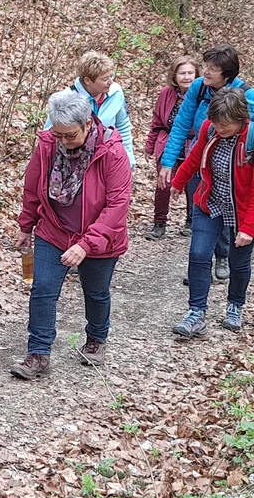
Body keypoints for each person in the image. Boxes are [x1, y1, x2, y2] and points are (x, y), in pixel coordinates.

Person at [11, 89, 132, 379]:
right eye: (59, 134)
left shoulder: (112, 152)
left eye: (70, 135)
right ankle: (38, 353)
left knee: (96, 292)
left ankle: (96, 338)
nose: (63, 141)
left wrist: (86, 245)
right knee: (42, 290)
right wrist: (26, 226)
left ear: (87, 124)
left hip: (101, 239)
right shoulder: (47, 146)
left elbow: (117, 206)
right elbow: (33, 187)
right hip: (54, 230)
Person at [156, 46, 254, 282]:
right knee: (204, 211)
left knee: (226, 213)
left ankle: (222, 257)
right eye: (206, 66)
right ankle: (201, 267)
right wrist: (168, 162)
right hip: (202, 157)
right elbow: (181, 124)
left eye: (212, 69)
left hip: (234, 166)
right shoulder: (199, 88)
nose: (205, 72)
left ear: (226, 74)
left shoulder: (245, 95)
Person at [169, 93, 254, 338]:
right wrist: (178, 182)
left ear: (241, 120)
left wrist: (249, 227)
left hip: (243, 211)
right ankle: (196, 313)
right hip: (210, 203)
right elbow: (195, 158)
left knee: (239, 262)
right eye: (216, 123)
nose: (219, 128)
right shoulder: (209, 129)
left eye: (225, 125)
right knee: (198, 254)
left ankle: (235, 306)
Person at [143, 55, 198, 240]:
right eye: (182, 73)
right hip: (167, 142)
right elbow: (157, 121)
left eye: (191, 73)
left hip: (193, 143)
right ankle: (159, 223)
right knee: (163, 184)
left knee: (193, 184)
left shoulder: (203, 94)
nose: (187, 77)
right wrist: (150, 145)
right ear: (174, 76)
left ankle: (191, 221)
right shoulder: (167, 93)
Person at [69, 50, 135, 170]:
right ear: (88, 81)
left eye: (111, 76)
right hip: (77, 164)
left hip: (108, 160)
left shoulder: (116, 92)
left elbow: (122, 126)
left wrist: (128, 158)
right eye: (105, 79)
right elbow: (51, 135)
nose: (111, 82)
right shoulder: (68, 98)